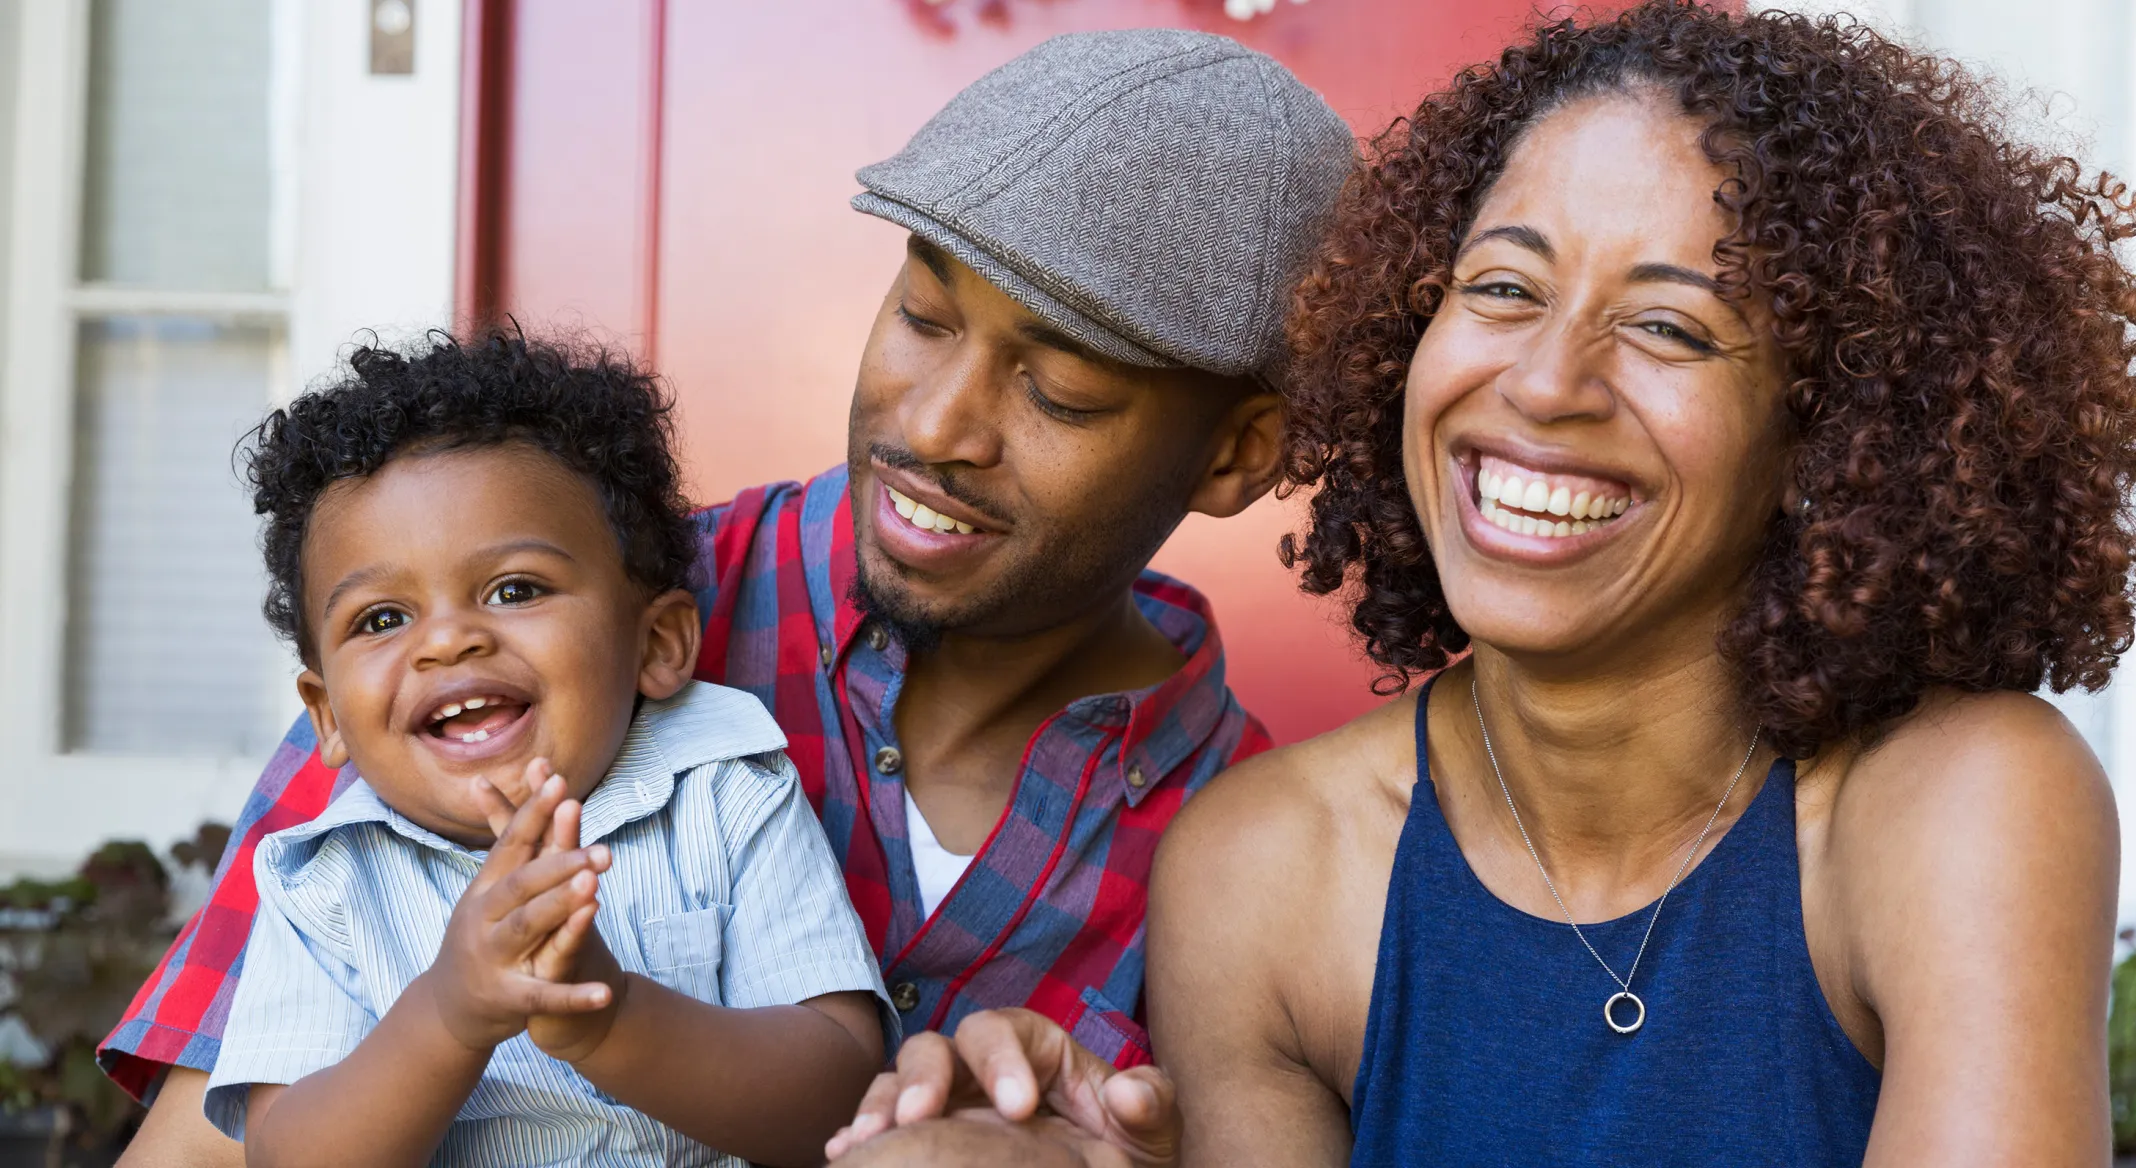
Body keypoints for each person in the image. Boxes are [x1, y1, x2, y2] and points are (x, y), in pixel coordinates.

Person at [829, 3, 2136, 1164]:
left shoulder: (1959, 804)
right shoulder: (1264, 870)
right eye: (1503, 289)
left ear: (1832, 433)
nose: (1542, 384)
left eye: (1668, 326)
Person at [105, 28, 1355, 1167]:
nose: (932, 426)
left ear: (1239, 455)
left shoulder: (1252, 846)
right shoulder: (521, 621)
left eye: (1061, 395)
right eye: (922, 315)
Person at [205, 333, 892, 1166]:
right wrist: (446, 1017)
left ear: (659, 643)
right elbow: (290, 1158)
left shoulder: (729, 792)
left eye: (515, 589)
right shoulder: (326, 884)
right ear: (328, 717)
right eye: (383, 619)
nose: (449, 640)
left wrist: (611, 1020)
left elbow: (840, 1100)